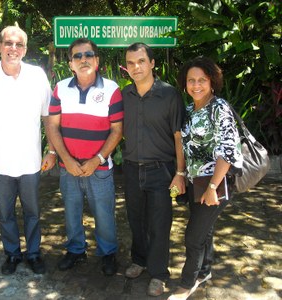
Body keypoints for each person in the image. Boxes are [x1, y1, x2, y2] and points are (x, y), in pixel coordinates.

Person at [0, 26, 55, 275]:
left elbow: (48, 117)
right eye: (8, 43)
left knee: (33, 213)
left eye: (19, 45)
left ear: (25, 49)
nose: (13, 49)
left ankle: (33, 253)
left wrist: (51, 150)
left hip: (31, 163)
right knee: (5, 214)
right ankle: (12, 254)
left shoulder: (37, 75)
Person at [46, 38, 123, 276]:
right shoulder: (60, 88)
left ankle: (108, 253)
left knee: (104, 213)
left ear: (97, 61)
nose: (83, 60)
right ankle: (76, 250)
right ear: (70, 64)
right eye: (77, 56)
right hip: (68, 167)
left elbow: (117, 131)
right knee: (71, 211)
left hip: (99, 168)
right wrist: (67, 160)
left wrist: (97, 159)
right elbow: (52, 127)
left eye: (88, 55)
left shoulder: (112, 89)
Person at [167, 56, 243, 300]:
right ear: (185, 83)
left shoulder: (219, 108)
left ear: (212, 82)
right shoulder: (188, 110)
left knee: (193, 236)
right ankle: (205, 271)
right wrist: (180, 174)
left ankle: (187, 283)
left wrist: (213, 187)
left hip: (215, 184)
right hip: (193, 182)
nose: (196, 85)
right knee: (204, 231)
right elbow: (181, 144)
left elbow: (228, 151)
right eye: (191, 80)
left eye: (202, 80)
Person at [122, 42, 186, 297]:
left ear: (152, 63)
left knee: (160, 223)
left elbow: (179, 137)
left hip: (162, 170)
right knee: (135, 218)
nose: (136, 67)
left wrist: (180, 174)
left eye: (140, 61)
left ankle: (159, 274)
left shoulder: (170, 95)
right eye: (130, 63)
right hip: (130, 168)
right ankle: (139, 259)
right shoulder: (124, 95)